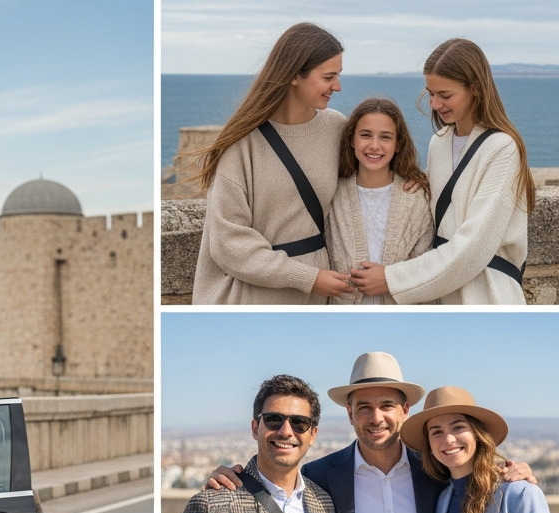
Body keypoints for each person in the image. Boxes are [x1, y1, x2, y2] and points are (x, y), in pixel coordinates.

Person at [205, 352, 535, 513]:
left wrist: (516, 476)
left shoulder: (435, 472)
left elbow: (474, 478)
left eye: (387, 405)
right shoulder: (320, 477)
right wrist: (235, 477)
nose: (375, 417)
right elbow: (278, 491)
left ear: (405, 410)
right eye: (364, 407)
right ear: (349, 414)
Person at [352, 39, 534, 305]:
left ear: (475, 88)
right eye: (431, 93)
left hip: (487, 294)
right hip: (441, 293)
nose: (435, 104)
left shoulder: (502, 148)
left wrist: (392, 278)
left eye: (445, 95)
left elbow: (473, 247)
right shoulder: (439, 142)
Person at [190, 23, 352, 304]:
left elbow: (364, 183)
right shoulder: (241, 145)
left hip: (316, 297)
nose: (337, 86)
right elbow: (228, 244)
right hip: (253, 297)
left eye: (338, 75)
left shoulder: (337, 128)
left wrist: (409, 180)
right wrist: (309, 278)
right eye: (329, 77)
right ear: (294, 76)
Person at [173, 375, 334, 513]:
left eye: (299, 423)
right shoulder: (211, 508)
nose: (286, 431)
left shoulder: (324, 507)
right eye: (274, 419)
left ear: (313, 434)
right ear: (255, 427)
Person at [401, 387, 555, 513]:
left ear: (477, 433)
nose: (448, 439)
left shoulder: (520, 496)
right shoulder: (441, 501)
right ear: (429, 444)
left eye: (457, 427)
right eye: (436, 431)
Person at [325, 97, 434, 304]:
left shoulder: (416, 198)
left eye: (385, 137)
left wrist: (391, 280)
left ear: (398, 144)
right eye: (365, 135)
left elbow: (426, 264)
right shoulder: (331, 193)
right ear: (351, 139)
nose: (374, 146)